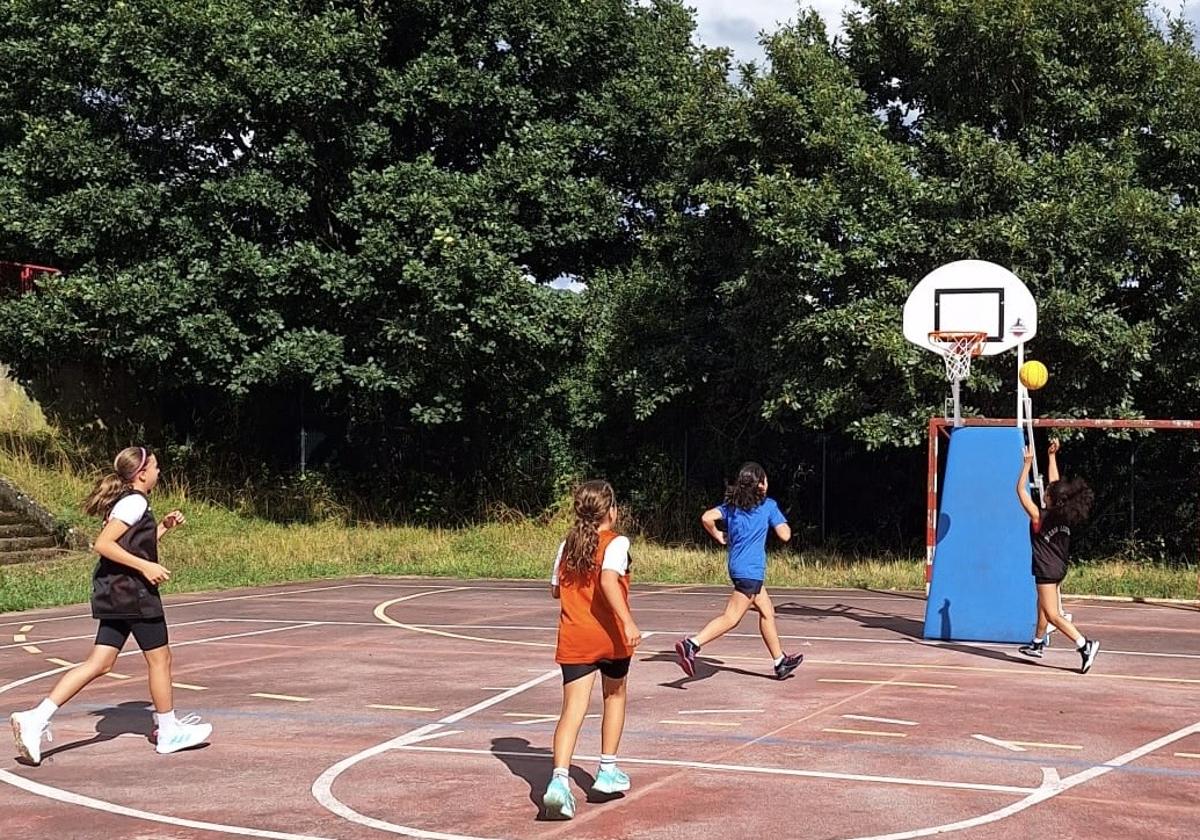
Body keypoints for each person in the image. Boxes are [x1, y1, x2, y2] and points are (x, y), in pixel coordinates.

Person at [10, 446, 212, 765]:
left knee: (100, 663)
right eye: (157, 467)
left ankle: (36, 717)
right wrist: (146, 568)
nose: (160, 472)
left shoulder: (128, 503)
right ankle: (169, 730)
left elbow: (129, 544)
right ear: (142, 473)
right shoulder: (134, 501)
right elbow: (103, 545)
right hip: (134, 594)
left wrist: (163, 529)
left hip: (117, 593)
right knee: (161, 660)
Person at [542, 480, 641, 820]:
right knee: (614, 697)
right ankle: (607, 770)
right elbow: (608, 580)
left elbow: (555, 590)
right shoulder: (617, 543)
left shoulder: (566, 545)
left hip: (574, 638)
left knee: (572, 710)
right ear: (612, 510)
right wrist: (627, 621)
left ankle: (558, 782)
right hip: (609, 638)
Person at [675, 462, 803, 680]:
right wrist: (782, 523)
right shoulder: (768, 506)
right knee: (732, 617)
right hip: (750, 571)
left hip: (738, 567)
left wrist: (718, 535)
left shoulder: (731, 507)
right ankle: (691, 644)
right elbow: (785, 535)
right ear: (761, 485)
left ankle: (779, 661)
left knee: (767, 611)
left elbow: (706, 517)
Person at [1016, 441, 1100, 673]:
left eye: (1046, 492)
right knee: (1042, 604)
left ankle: (1084, 645)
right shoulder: (1065, 514)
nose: (1045, 491)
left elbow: (1020, 492)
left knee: (1053, 613)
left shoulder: (1039, 516)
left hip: (1046, 570)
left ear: (1050, 499)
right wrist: (1052, 456)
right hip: (1059, 567)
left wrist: (1027, 465)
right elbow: (1056, 484)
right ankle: (1037, 643)